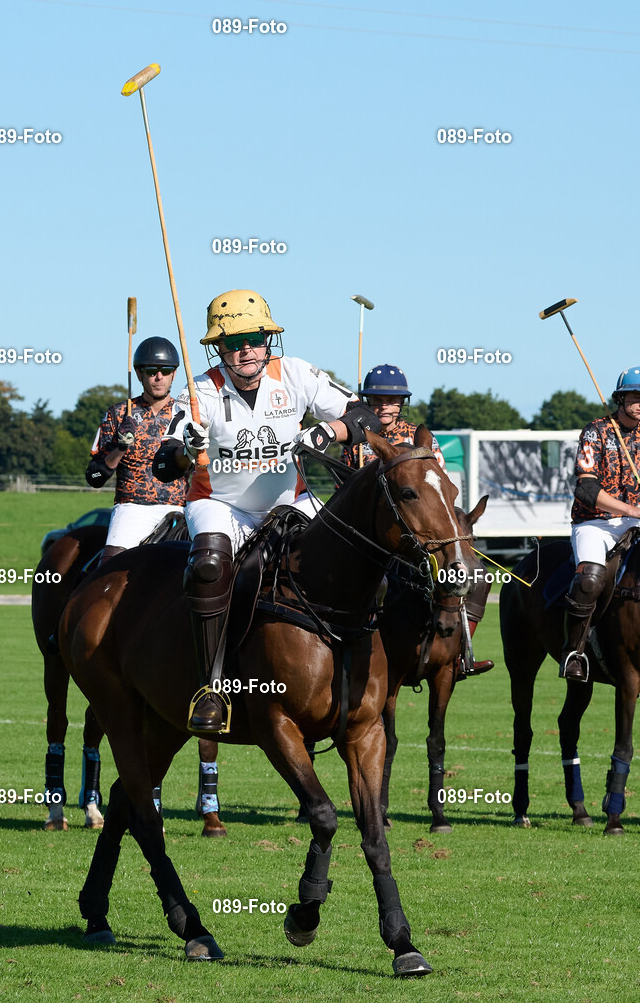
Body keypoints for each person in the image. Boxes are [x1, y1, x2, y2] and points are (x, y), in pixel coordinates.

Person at [153, 288, 380, 731]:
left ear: (268, 340)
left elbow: (365, 416)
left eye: (254, 339)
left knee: (360, 551)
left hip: (289, 501)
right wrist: (186, 449)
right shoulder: (199, 391)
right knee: (210, 564)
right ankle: (211, 687)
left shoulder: (295, 373)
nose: (245, 351)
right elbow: (165, 464)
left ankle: (369, 668)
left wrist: (326, 432)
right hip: (221, 505)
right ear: (218, 348)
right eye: (233, 343)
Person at [342, 362, 493, 677]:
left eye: (392, 400)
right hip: (371, 537)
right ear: (366, 400)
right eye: (378, 399)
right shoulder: (355, 437)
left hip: (416, 535)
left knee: (476, 575)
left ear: (402, 404)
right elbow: (346, 491)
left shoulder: (419, 438)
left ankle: (462, 653)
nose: (385, 406)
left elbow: (436, 492)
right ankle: (358, 650)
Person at [561, 366, 640, 681]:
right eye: (635, 396)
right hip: (596, 523)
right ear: (620, 398)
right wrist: (631, 510)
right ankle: (575, 652)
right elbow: (586, 488)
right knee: (591, 578)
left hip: (635, 522)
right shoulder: (597, 431)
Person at [86, 337, 186, 562]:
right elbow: (93, 477)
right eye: (151, 371)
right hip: (132, 508)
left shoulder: (188, 413)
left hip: (182, 509)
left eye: (165, 370)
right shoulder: (119, 413)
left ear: (174, 373)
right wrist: (120, 448)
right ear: (139, 374)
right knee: (109, 570)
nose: (158, 377)